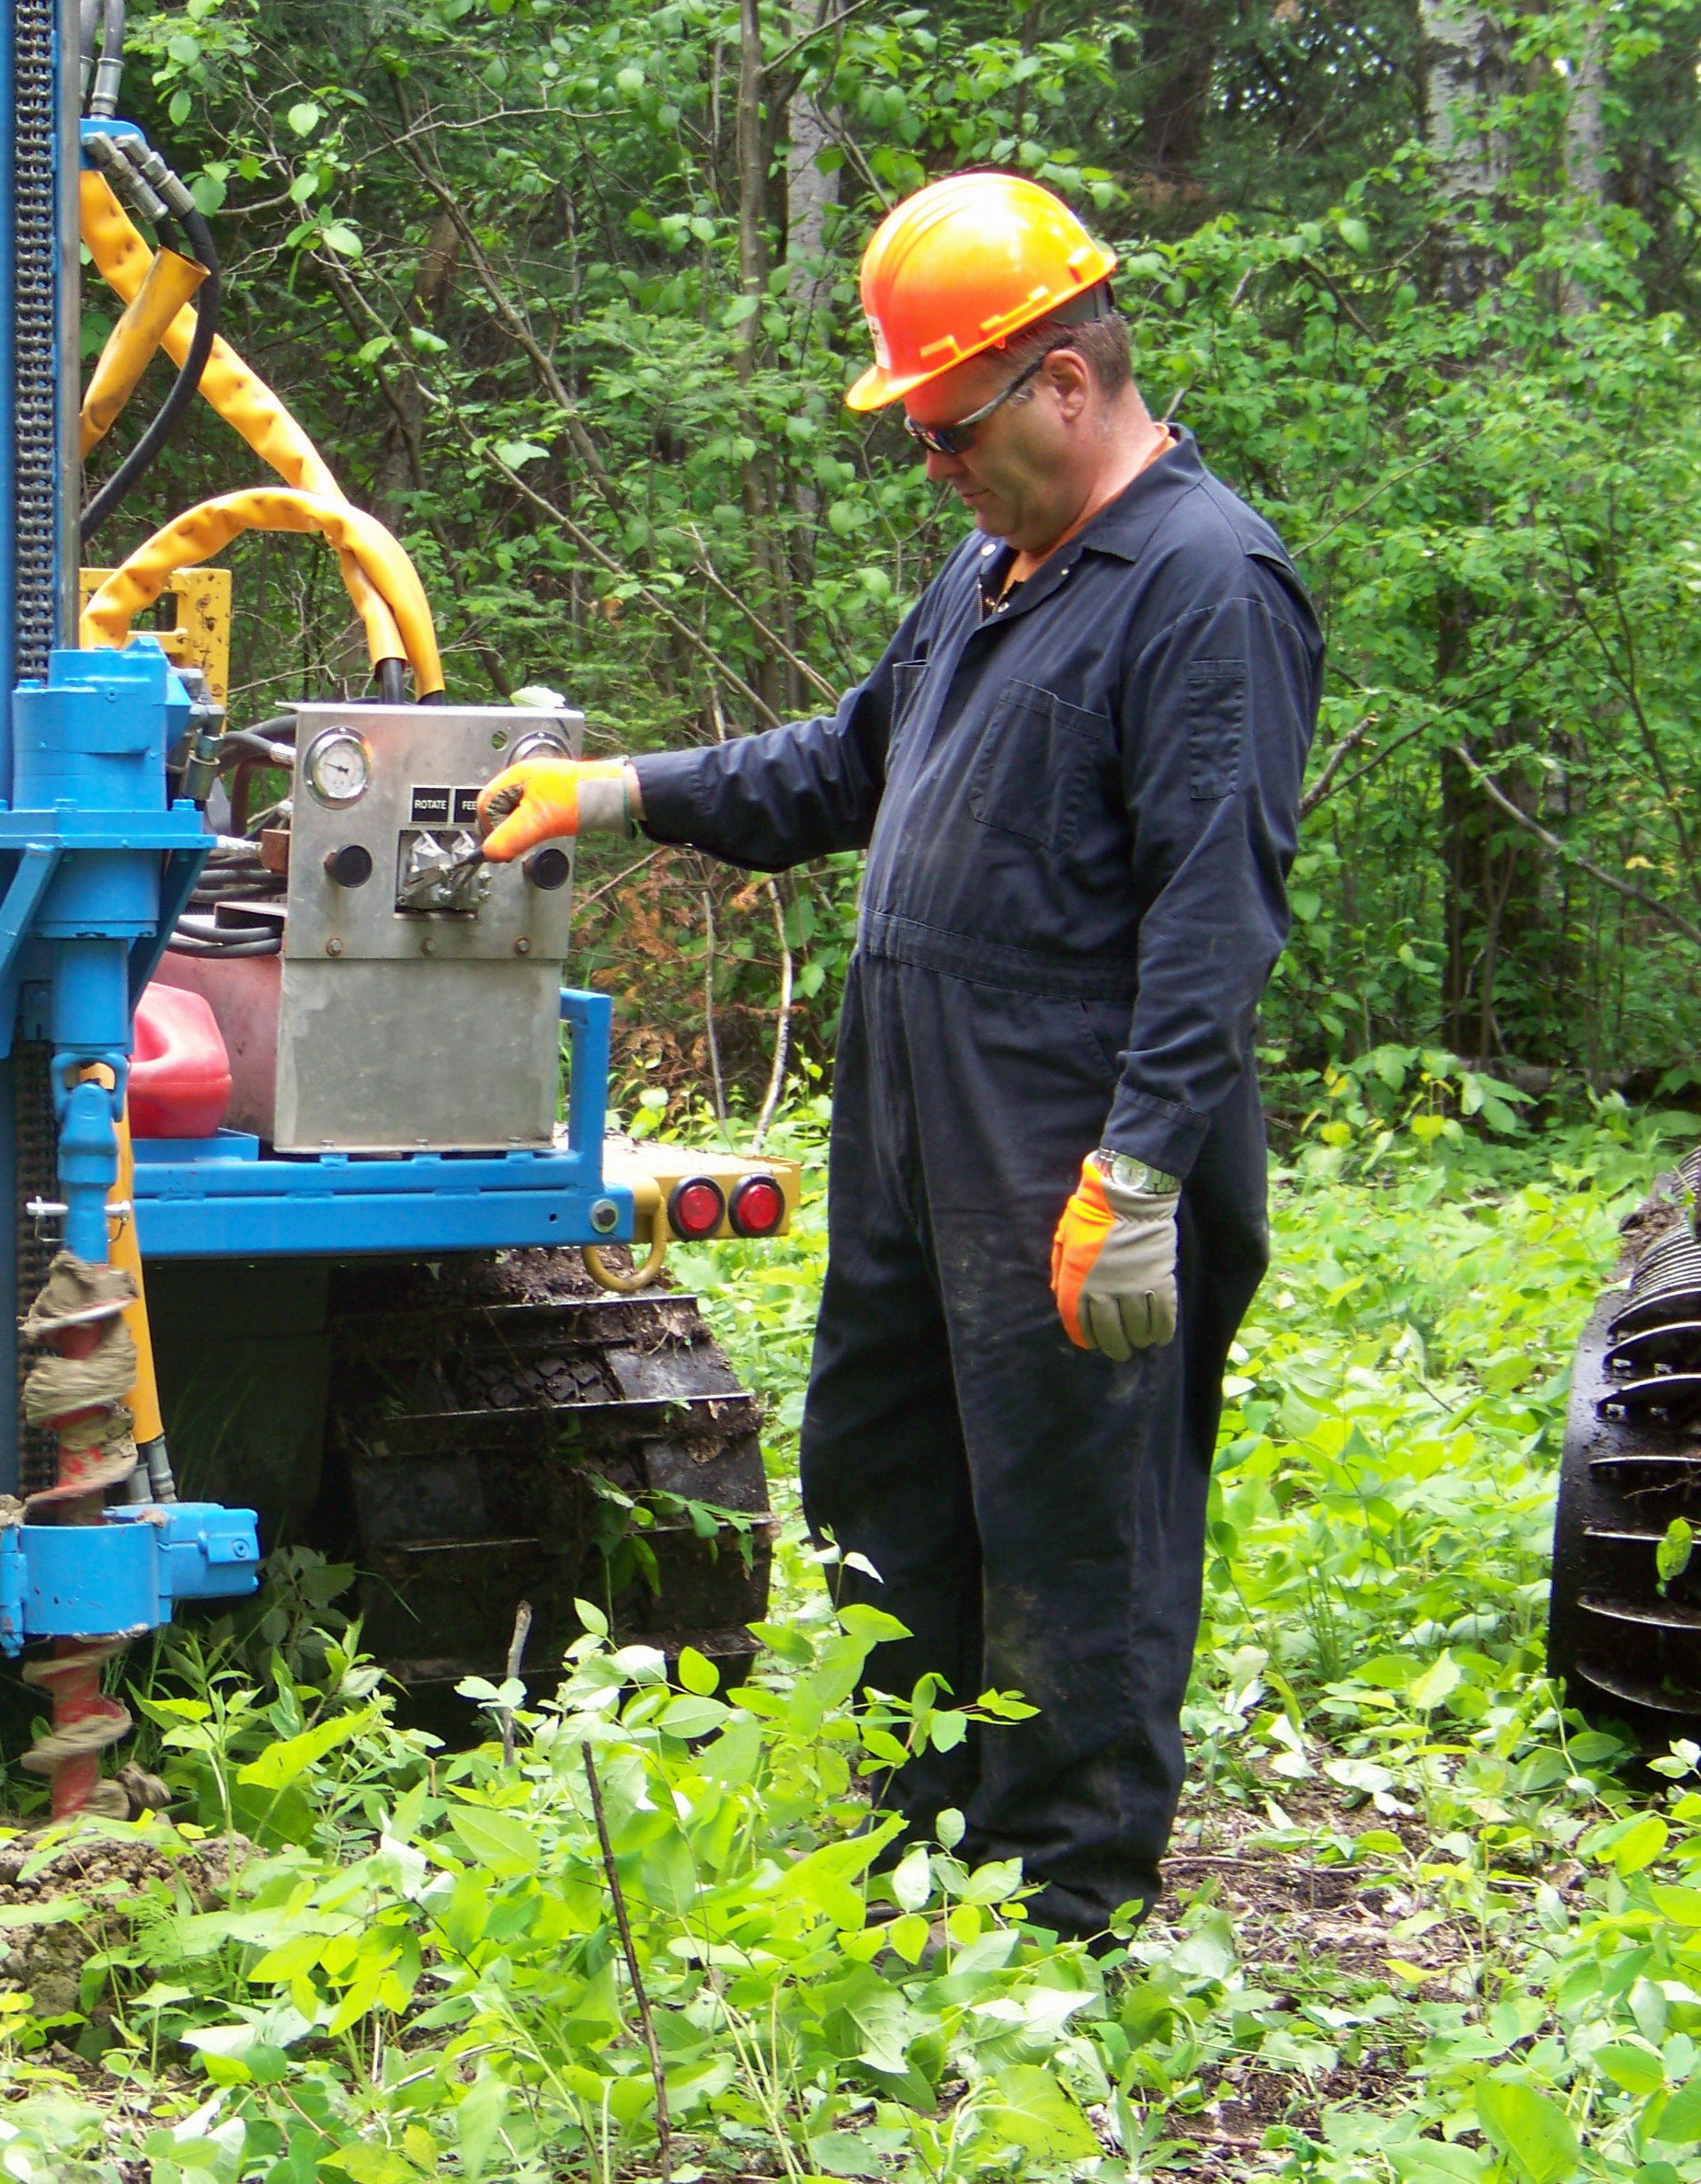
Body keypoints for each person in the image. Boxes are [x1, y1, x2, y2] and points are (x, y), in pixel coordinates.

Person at [476, 170, 1321, 1941]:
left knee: (1072, 1511)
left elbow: (1213, 911)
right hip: (914, 1113)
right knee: (886, 1471)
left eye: (947, 429)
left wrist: (1139, 1175)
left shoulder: (1204, 584)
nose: (929, 465)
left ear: (1064, 383)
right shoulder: (994, 568)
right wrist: (618, 790)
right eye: (917, 435)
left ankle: (1062, 1906)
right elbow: (850, 762)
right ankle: (919, 1840)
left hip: (1063, 1127)